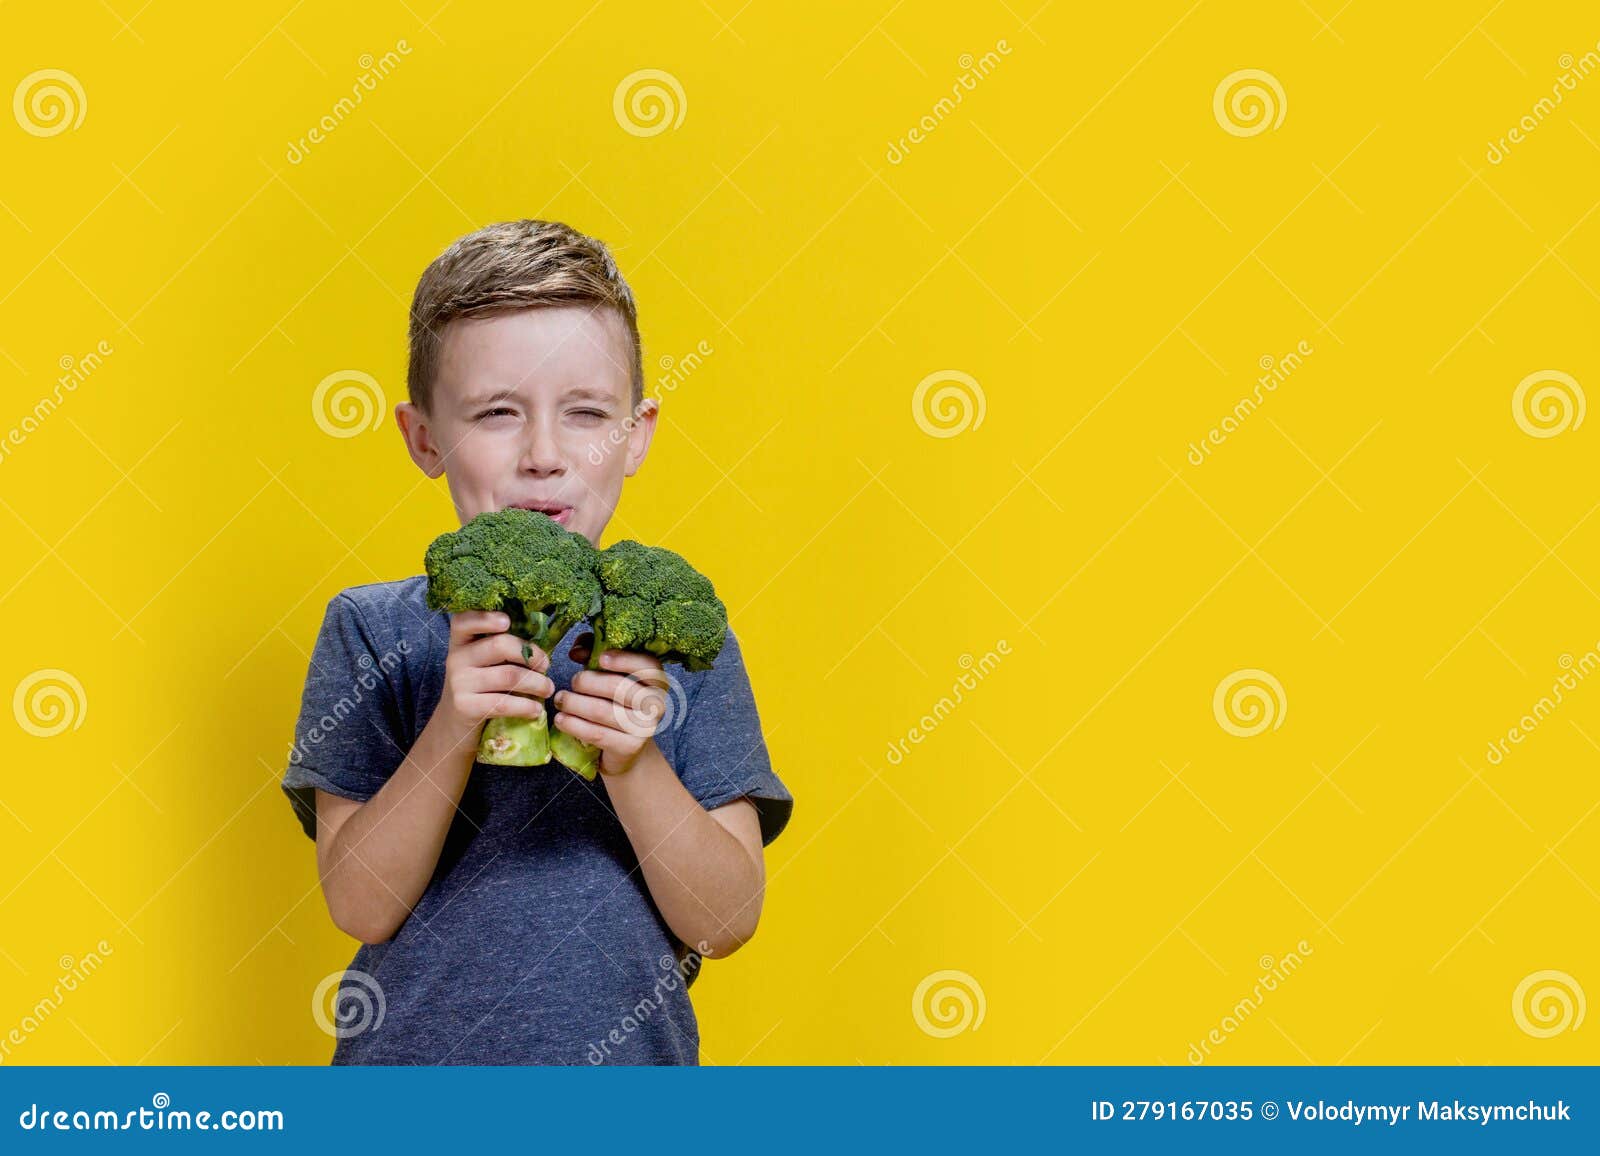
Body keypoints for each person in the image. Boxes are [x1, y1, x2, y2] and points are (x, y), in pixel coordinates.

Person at [279, 219, 793, 1064]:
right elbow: (361, 906)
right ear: (424, 439)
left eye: (586, 412)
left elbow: (727, 920)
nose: (544, 455)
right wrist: (450, 725)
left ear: (637, 435)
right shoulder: (373, 630)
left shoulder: (679, 646)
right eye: (496, 413)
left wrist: (635, 762)